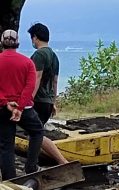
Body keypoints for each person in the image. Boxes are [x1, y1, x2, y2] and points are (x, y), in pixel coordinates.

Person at [0, 29, 44, 180]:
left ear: (2, 42)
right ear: (18, 42)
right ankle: (31, 167)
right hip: (24, 108)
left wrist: (5, 102)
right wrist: (19, 107)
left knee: (6, 145)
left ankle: (10, 179)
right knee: (37, 132)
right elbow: (29, 87)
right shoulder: (27, 63)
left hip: (2, 108)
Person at [27, 23, 68, 164]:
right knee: (35, 134)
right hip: (48, 101)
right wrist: (53, 101)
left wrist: (28, 99)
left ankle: (63, 162)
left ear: (35, 38)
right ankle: (35, 162)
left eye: (32, 38)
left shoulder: (39, 55)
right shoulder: (54, 56)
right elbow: (55, 82)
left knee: (36, 133)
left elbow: (36, 78)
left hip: (37, 100)